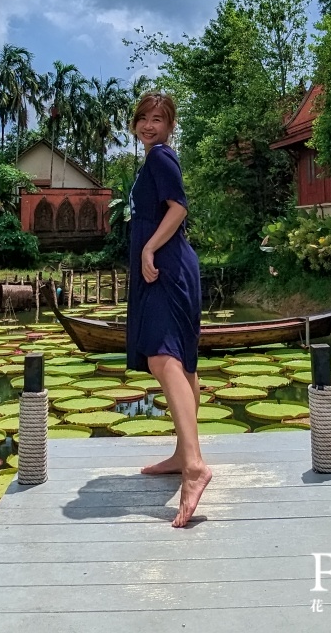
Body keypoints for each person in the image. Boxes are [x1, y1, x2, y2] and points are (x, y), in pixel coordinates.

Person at [126, 91, 212, 527]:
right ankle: (183, 453)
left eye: (157, 119)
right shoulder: (154, 159)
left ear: (170, 124)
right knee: (184, 363)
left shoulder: (160, 157)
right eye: (143, 118)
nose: (148, 125)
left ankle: (195, 465)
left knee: (163, 356)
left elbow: (178, 208)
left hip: (167, 265)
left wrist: (149, 249)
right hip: (168, 263)